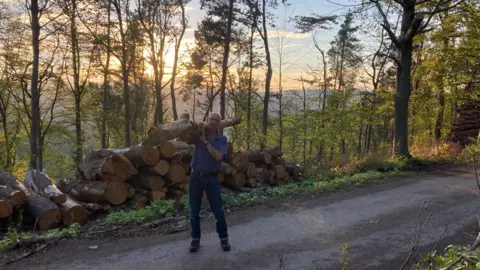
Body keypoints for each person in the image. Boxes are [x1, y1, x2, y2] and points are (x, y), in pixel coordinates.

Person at [188, 112, 230, 253]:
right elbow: (183, 136)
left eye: (216, 120)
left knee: (218, 210)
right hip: (196, 177)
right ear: (207, 120)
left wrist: (205, 142)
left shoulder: (221, 139)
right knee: (194, 211)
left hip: (212, 178)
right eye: (211, 119)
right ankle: (195, 240)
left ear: (219, 124)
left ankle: (224, 239)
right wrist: (194, 127)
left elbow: (218, 157)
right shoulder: (198, 135)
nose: (213, 122)